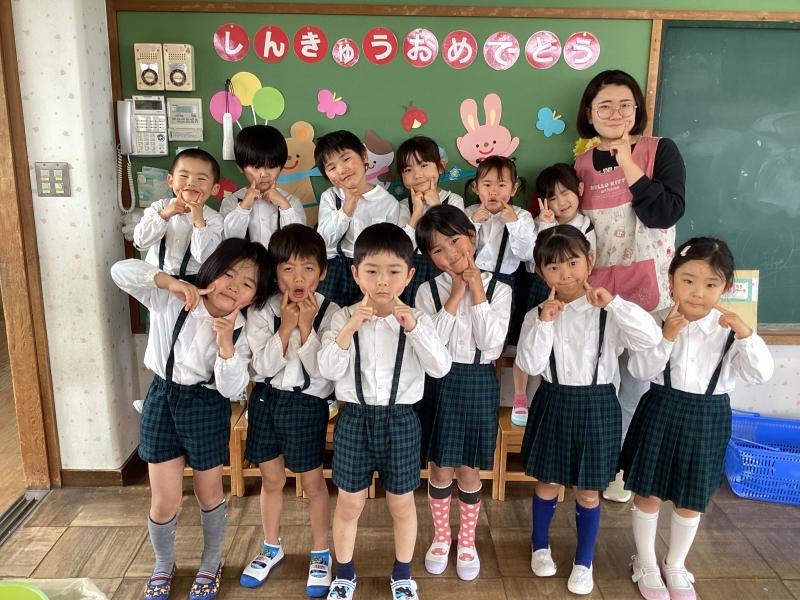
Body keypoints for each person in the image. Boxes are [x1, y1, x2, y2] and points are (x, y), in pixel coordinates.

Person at [110, 238, 270, 600]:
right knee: (164, 500)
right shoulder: (171, 299)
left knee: (208, 493)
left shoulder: (242, 329)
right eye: (229, 273)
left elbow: (231, 389)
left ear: (254, 295)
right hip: (162, 398)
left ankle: (211, 563)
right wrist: (170, 282)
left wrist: (226, 344)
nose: (234, 285)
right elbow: (120, 271)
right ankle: (163, 565)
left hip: (207, 405)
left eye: (247, 283)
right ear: (211, 269)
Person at [621, 237, 773, 600]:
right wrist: (667, 338)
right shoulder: (656, 320)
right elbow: (640, 370)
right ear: (671, 280)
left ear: (727, 287)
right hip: (660, 409)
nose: (697, 292)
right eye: (687, 280)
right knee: (648, 493)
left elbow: (760, 374)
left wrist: (746, 335)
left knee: (691, 498)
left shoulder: (731, 329)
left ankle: (675, 563)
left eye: (710, 284)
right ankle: (645, 561)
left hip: (708, 417)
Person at [515, 225, 661, 596]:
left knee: (589, 491)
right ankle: (540, 545)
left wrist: (614, 304)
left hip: (598, 405)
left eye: (572, 263)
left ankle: (584, 561)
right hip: (553, 400)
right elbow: (530, 364)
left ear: (589, 261)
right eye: (553, 267)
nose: (564, 274)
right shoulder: (538, 314)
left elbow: (650, 337)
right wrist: (545, 323)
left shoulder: (608, 310)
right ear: (541, 272)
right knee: (547, 482)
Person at [318, 223, 451, 600]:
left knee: (401, 503)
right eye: (372, 271)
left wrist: (414, 328)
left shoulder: (419, 318)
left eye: (393, 271)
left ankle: (403, 574)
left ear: (408, 276)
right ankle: (344, 573)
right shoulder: (340, 316)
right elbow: (327, 370)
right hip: (354, 419)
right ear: (355, 273)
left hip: (401, 421)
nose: (382, 281)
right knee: (349, 502)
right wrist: (349, 329)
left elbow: (440, 368)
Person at [574, 69, 686, 501]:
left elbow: (664, 213)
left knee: (637, 385)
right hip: (597, 291)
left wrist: (628, 162)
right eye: (604, 106)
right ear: (589, 113)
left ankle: (623, 471)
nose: (616, 113)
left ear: (638, 109)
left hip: (648, 291)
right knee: (600, 384)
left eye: (625, 105)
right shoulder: (580, 164)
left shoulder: (661, 151)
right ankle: (598, 465)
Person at [414, 205, 511, 581]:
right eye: (438, 250)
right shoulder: (427, 291)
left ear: (472, 235)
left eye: (455, 241)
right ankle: (442, 538)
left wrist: (477, 291)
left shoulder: (500, 289)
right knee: (440, 466)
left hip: (478, 381)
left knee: (470, 469)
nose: (451, 254)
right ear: (429, 258)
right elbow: (430, 348)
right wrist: (454, 297)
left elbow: (492, 344)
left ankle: (467, 541)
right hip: (439, 384)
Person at [239, 224, 337, 597]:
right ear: (275, 271)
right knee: (272, 480)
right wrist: (286, 328)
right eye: (288, 268)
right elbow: (262, 367)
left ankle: (321, 552)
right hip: (266, 400)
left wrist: (306, 327)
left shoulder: (331, 311)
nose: (298, 278)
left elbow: (324, 371)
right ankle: (271, 546)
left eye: (308, 268)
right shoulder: (262, 309)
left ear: (322, 271)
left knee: (312, 483)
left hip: (308, 403)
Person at [512, 163, 596, 426]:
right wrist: (544, 225)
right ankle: (520, 396)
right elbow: (530, 258)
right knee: (529, 340)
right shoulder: (541, 222)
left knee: (554, 346)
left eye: (565, 193)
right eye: (552, 197)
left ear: (579, 189)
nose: (560, 202)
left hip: (571, 293)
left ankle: (539, 394)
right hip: (538, 287)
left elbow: (588, 261)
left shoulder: (586, 225)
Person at [315, 130, 406, 308]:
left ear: (364, 155)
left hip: (373, 273)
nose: (342, 170)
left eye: (346, 159)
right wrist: (347, 209)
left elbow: (393, 248)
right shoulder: (330, 197)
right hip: (335, 271)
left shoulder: (387, 202)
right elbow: (323, 241)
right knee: (330, 319)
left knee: (368, 318)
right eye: (332, 168)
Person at [133, 148, 224, 283]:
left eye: (201, 178)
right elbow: (141, 241)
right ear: (170, 180)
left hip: (193, 284)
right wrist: (164, 214)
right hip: (155, 281)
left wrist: (199, 222)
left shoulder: (214, 218)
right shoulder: (159, 207)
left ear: (215, 189)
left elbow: (204, 257)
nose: (191, 182)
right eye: (184, 176)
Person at [396, 135, 465, 305]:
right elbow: (401, 251)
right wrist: (416, 213)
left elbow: (455, 240)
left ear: (440, 167)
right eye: (408, 170)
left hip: (446, 269)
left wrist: (436, 206)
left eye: (424, 165)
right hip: (411, 272)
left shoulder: (454, 200)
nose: (417, 175)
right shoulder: (403, 205)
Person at [220, 125, 306, 244]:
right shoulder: (231, 202)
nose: (264, 174)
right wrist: (244, 206)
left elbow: (299, 243)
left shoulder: (291, 202)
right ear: (240, 167)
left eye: (271, 166)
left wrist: (284, 206)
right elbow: (227, 241)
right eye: (256, 167)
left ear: (281, 167)